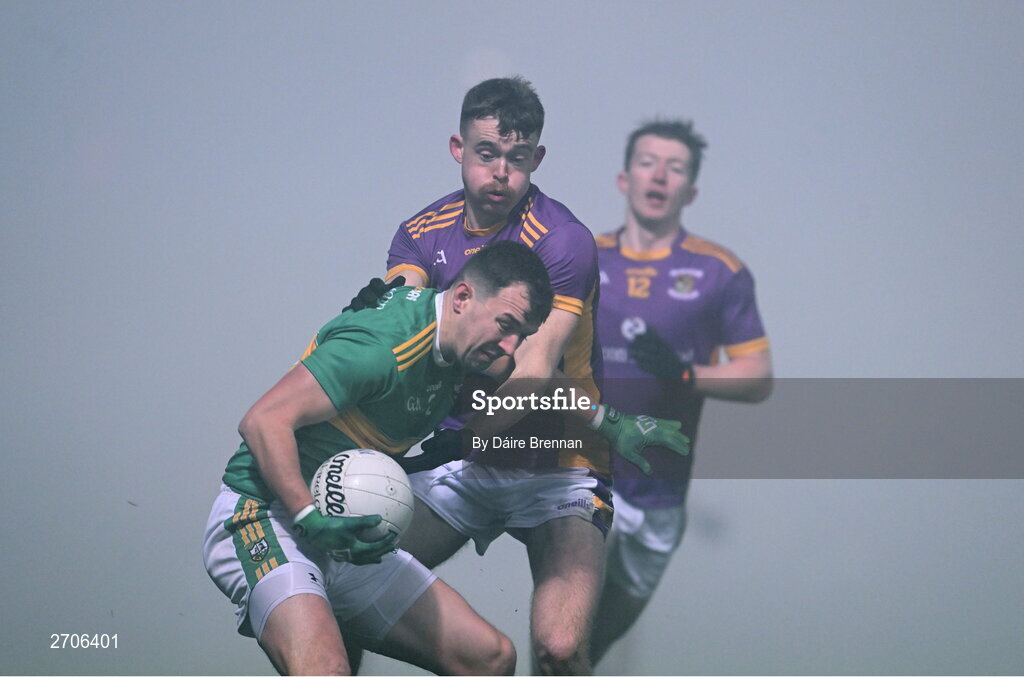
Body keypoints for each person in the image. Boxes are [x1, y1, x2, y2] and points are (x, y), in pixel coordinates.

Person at [377, 76, 687, 675]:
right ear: (457, 148)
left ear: (536, 159)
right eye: (486, 153)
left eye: (517, 159)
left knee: (561, 648)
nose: (500, 173)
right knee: (339, 577)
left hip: (560, 462)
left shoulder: (564, 240)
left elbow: (535, 366)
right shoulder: (418, 235)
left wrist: (471, 435)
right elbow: (398, 338)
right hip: (459, 462)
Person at [202, 242, 555, 676]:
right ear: (462, 298)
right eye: (506, 325)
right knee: (325, 670)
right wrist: (308, 517)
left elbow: (542, 383)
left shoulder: (465, 343)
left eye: (522, 335)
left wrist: (611, 422)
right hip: (264, 516)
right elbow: (262, 420)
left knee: (488, 660)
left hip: (345, 537)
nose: (509, 346)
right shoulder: (383, 347)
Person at [588, 119, 773, 665]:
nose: (659, 176)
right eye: (648, 162)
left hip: (661, 494)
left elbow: (759, 376)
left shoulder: (720, 271)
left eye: (675, 167)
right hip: (584, 476)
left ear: (690, 190)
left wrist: (686, 375)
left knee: (589, 649)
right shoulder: (582, 257)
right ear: (625, 178)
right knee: (561, 640)